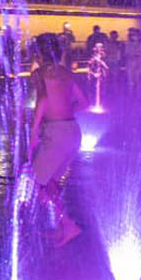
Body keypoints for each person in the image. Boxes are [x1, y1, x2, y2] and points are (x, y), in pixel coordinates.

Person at [28, 32, 87, 247]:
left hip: (56, 135)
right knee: (50, 182)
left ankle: (68, 225)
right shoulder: (68, 74)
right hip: (73, 131)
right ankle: (63, 228)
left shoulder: (39, 74)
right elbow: (84, 103)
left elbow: (42, 101)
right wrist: (64, 112)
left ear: (39, 53)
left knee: (36, 184)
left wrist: (33, 134)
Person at [125, 28, 141, 93]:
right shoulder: (129, 44)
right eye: (133, 35)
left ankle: (138, 93)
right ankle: (131, 94)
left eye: (135, 35)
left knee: (138, 80)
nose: (134, 36)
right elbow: (127, 54)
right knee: (130, 81)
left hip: (139, 64)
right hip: (130, 64)